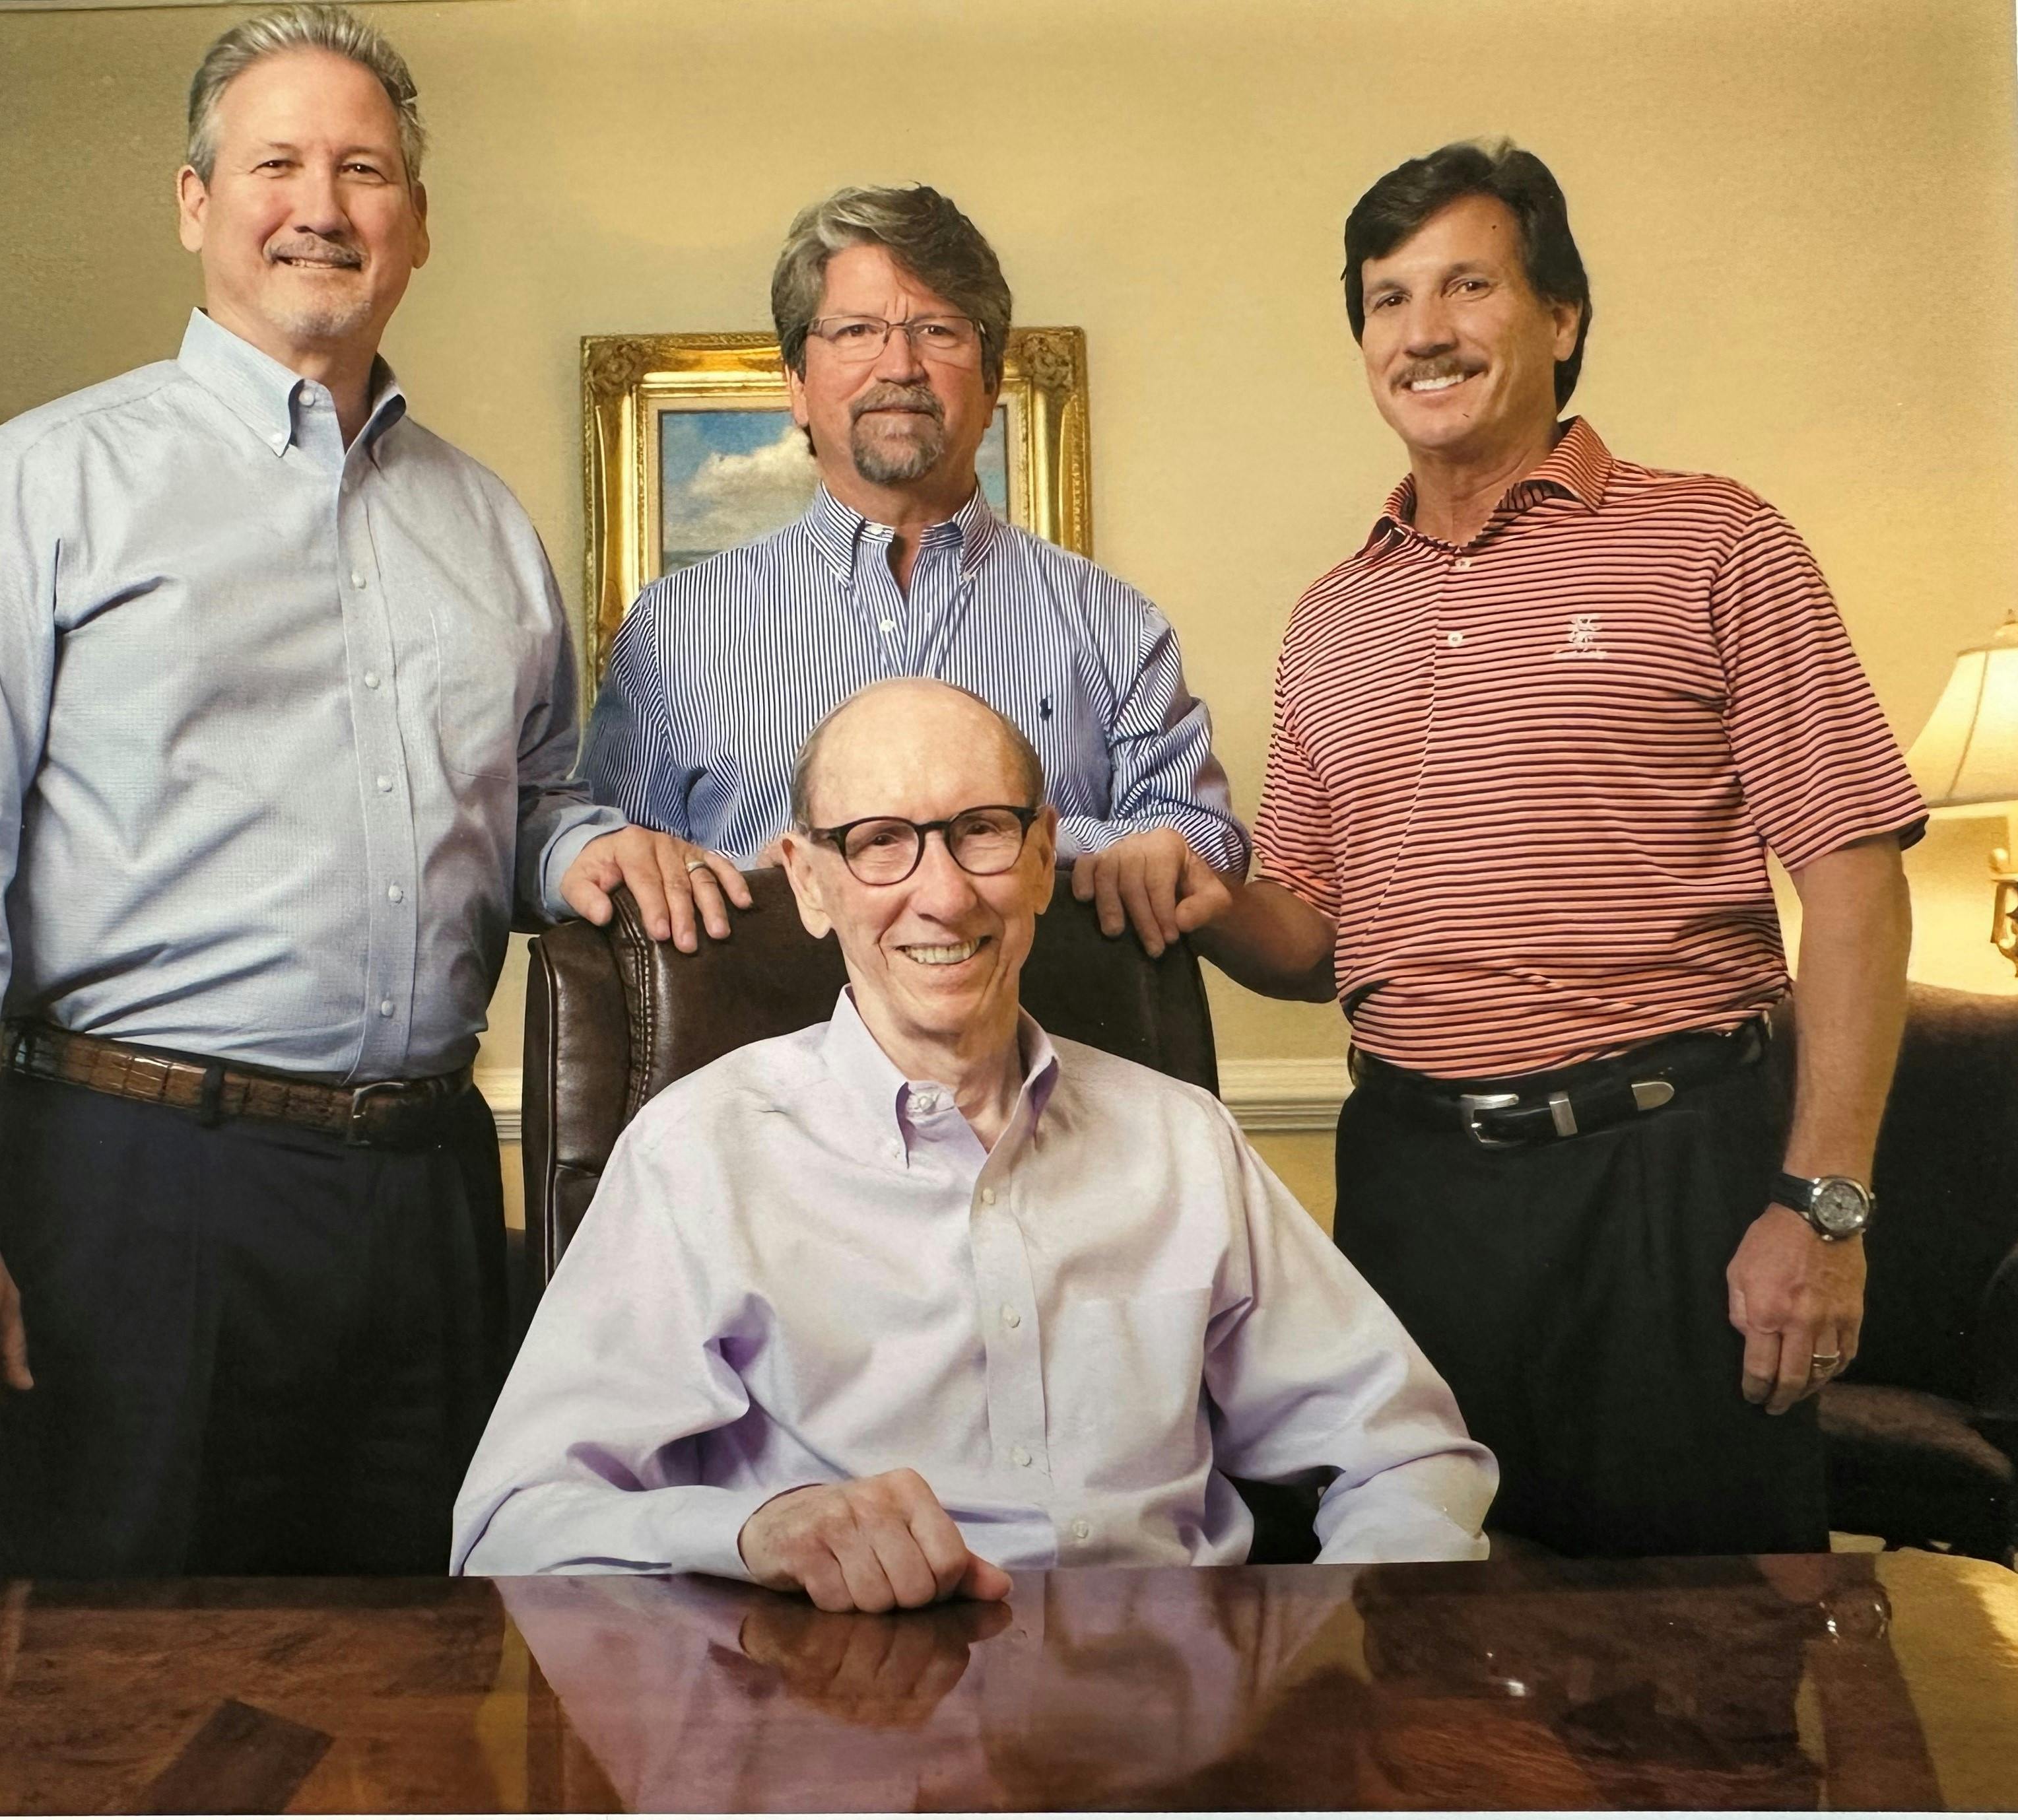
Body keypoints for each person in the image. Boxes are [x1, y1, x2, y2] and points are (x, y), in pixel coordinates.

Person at [0, 3, 749, 1578]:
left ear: (418, 223)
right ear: (196, 203)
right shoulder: (43, 486)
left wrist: (583, 850)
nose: (322, 204)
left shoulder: (488, 525)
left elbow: (526, 805)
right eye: (278, 163)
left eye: (364, 168)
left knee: (408, 1700)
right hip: (132, 1190)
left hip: (428, 1201)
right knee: (115, 1711)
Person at [1182, 141, 1923, 1555]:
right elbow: (1313, 933)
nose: (1425, 330)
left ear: (1561, 318)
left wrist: (1822, 1208)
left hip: (1669, 1185)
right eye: (1389, 299)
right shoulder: (1331, 617)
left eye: (1470, 284)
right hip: (1411, 1192)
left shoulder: (1718, 540)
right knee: (1425, 1676)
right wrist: (1211, 898)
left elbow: (1853, 873)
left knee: (1707, 1690)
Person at [455, 678, 1496, 1605]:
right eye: (877, 843)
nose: (943, 893)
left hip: (1172, 1734)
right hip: (847, 1722)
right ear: (808, 883)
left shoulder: (1182, 1143)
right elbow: (514, 1522)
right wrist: (747, 1532)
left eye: (982, 832)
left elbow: (1405, 1455)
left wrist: (1337, 1672)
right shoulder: (698, 1154)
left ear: (1043, 857)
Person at [580, 184, 1248, 960]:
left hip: (1045, 1063)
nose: (899, 365)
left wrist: (1139, 851)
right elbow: (618, 860)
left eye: (938, 330)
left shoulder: (1113, 623)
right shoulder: (674, 629)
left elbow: (1206, 843)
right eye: (856, 330)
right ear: (796, 384)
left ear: (993, 380)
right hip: (764, 1061)